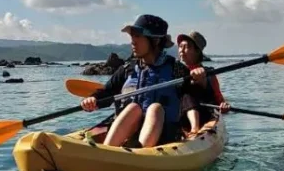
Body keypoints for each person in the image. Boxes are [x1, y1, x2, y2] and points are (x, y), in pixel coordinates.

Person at [80, 14, 206, 147]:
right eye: (132, 37)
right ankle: (107, 151)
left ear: (155, 40)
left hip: (163, 136)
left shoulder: (176, 69)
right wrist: (93, 99)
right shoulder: (127, 69)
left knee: (155, 108)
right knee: (133, 107)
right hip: (130, 132)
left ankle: (141, 152)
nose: (133, 42)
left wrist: (200, 80)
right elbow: (107, 92)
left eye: (138, 36)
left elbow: (194, 97)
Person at [176, 31, 231, 134]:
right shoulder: (175, 70)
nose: (181, 50)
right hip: (179, 115)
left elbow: (219, 101)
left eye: (186, 47)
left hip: (204, 115)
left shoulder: (209, 73)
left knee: (188, 93)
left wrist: (224, 106)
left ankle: (194, 129)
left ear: (197, 51)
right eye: (180, 46)